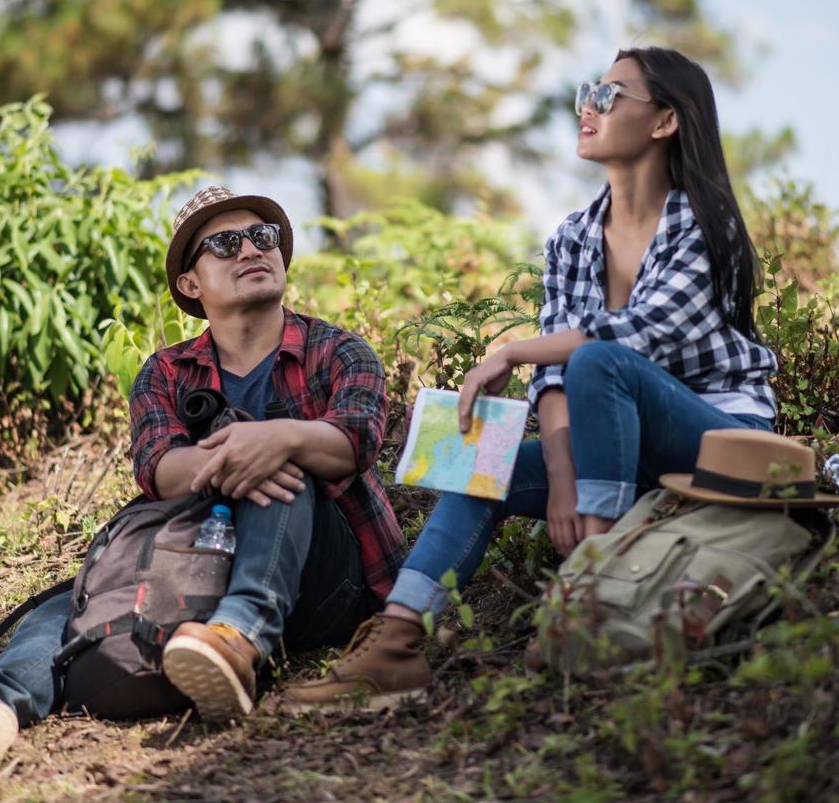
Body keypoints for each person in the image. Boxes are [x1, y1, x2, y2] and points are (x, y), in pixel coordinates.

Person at [278, 46, 778, 711]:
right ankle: (394, 649)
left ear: (663, 121)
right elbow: (553, 382)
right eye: (585, 93)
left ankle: (586, 604)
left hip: (720, 438)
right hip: (616, 444)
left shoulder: (700, 222)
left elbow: (638, 336)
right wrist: (563, 479)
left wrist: (515, 352)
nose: (586, 109)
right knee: (479, 465)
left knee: (598, 358)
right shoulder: (573, 237)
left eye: (609, 96)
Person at [0, 186, 407, 755]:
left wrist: (276, 437)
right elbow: (160, 470)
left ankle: (242, 633)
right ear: (189, 284)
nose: (251, 250)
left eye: (262, 236)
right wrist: (239, 453)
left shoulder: (338, 350)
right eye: (226, 243)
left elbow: (352, 444)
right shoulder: (166, 372)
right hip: (207, 558)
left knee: (286, 465)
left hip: (327, 583)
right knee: (70, 603)